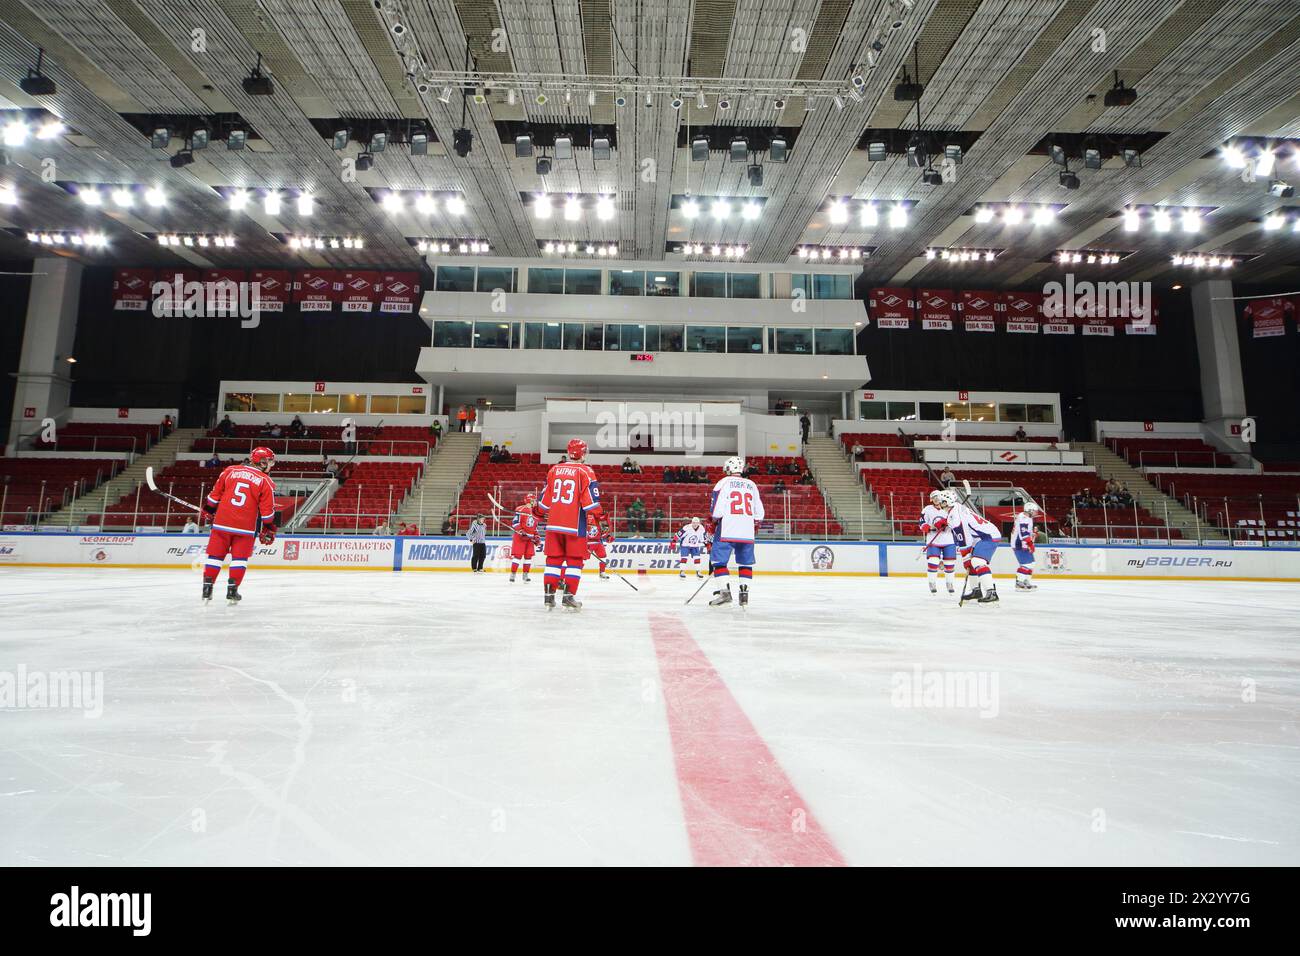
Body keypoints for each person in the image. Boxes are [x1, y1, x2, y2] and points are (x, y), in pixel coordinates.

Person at [535, 438, 610, 610]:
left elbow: (544, 502)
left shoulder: (554, 469)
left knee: (553, 560)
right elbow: (590, 503)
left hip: (553, 525)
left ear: (569, 453)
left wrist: (537, 512)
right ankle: (568, 597)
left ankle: (548, 597)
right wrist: (602, 516)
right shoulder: (586, 472)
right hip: (574, 526)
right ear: (583, 453)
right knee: (574, 561)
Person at [199, 446, 278, 605]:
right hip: (245, 527)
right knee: (239, 559)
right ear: (260, 462)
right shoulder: (265, 481)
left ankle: (207, 588)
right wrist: (269, 527)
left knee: (215, 557)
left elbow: (214, 497)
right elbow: (267, 512)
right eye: (268, 461)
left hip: (221, 523)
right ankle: (232, 590)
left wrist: (208, 510)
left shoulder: (229, 471)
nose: (270, 465)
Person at [707, 456, 765, 607]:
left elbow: (717, 510)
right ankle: (744, 595)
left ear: (728, 468)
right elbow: (759, 511)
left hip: (728, 527)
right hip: (747, 529)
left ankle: (725, 593)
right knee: (745, 562)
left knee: (718, 561)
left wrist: (713, 521)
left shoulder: (723, 482)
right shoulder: (751, 484)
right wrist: (755, 523)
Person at [945, 491, 1002, 604]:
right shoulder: (955, 508)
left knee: (976, 561)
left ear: (947, 502)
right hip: (979, 536)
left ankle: (991, 592)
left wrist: (965, 556)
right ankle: (976, 590)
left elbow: (964, 539)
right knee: (971, 562)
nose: (938, 504)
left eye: (941, 502)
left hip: (988, 536)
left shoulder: (955, 515)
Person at [918, 490, 957, 594]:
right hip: (933, 540)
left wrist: (948, 523)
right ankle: (932, 583)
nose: (936, 499)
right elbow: (921, 523)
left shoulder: (949, 508)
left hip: (948, 540)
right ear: (931, 499)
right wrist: (930, 528)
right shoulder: (927, 509)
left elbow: (956, 522)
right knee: (933, 562)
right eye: (934, 497)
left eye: (938, 497)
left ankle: (949, 583)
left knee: (949, 563)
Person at [509, 494, 540, 583]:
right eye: (533, 500)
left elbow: (535, 526)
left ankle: (525, 575)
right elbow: (515, 523)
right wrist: (521, 531)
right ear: (529, 501)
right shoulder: (520, 509)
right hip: (520, 537)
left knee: (528, 557)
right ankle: (513, 574)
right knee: (518, 556)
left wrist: (536, 535)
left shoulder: (536, 512)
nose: (535, 502)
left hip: (530, 538)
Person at [1013, 501, 1041, 591]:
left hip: (1022, 542)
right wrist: (1030, 544)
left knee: (1031, 563)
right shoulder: (1024, 518)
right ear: (1029, 510)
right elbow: (1023, 534)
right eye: (1035, 511)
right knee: (1027, 564)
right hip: (1019, 544)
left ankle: (1026, 581)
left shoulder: (1026, 517)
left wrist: (1032, 534)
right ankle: (1019, 583)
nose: (1036, 513)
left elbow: (1024, 531)